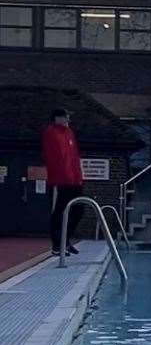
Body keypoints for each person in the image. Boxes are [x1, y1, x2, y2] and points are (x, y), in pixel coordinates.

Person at [41, 107, 84, 256]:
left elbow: (74, 158)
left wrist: (78, 177)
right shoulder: (50, 133)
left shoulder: (69, 133)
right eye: (65, 117)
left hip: (74, 180)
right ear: (57, 118)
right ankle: (57, 245)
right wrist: (61, 178)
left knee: (78, 209)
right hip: (60, 180)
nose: (68, 120)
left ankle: (65, 240)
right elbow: (55, 158)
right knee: (59, 212)